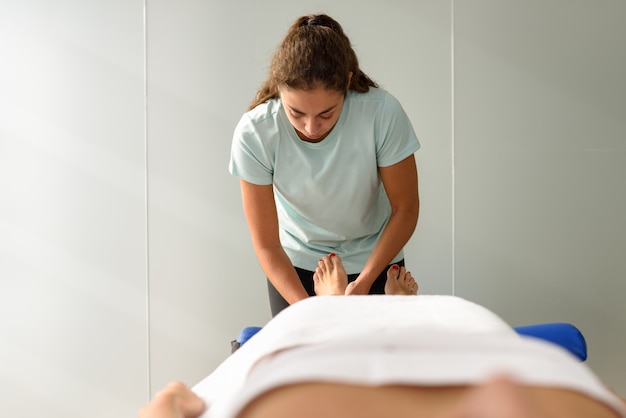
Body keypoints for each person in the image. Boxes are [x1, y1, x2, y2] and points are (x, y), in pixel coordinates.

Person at [140, 261, 626, 418]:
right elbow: (172, 400)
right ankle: (390, 304)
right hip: (481, 347)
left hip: (306, 358)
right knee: (437, 318)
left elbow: (171, 400)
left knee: (317, 318)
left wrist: (177, 401)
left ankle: (334, 305)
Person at [229, 14, 421, 316]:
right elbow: (267, 245)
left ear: (347, 82)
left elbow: (405, 209)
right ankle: (330, 301)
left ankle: (352, 298)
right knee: (314, 356)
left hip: (377, 257)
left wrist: (365, 282)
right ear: (280, 87)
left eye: (327, 114)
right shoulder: (257, 132)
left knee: (379, 355)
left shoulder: (381, 113)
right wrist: (312, 314)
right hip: (297, 265)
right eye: (296, 113)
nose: (311, 127)